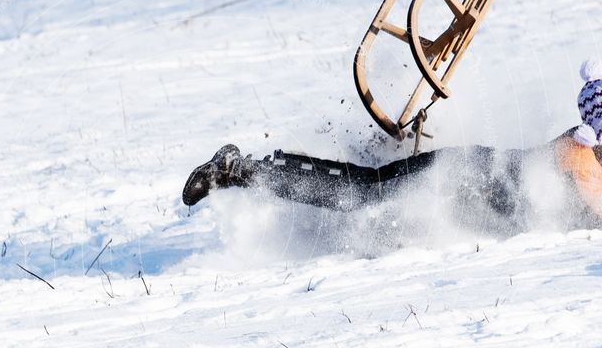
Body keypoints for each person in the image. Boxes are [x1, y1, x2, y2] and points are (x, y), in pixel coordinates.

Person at [182, 61, 602, 225]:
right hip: (455, 176)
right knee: (362, 195)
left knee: (365, 192)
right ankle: (236, 171)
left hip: (462, 182)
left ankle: (249, 170)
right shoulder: (581, 158)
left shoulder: (588, 154)